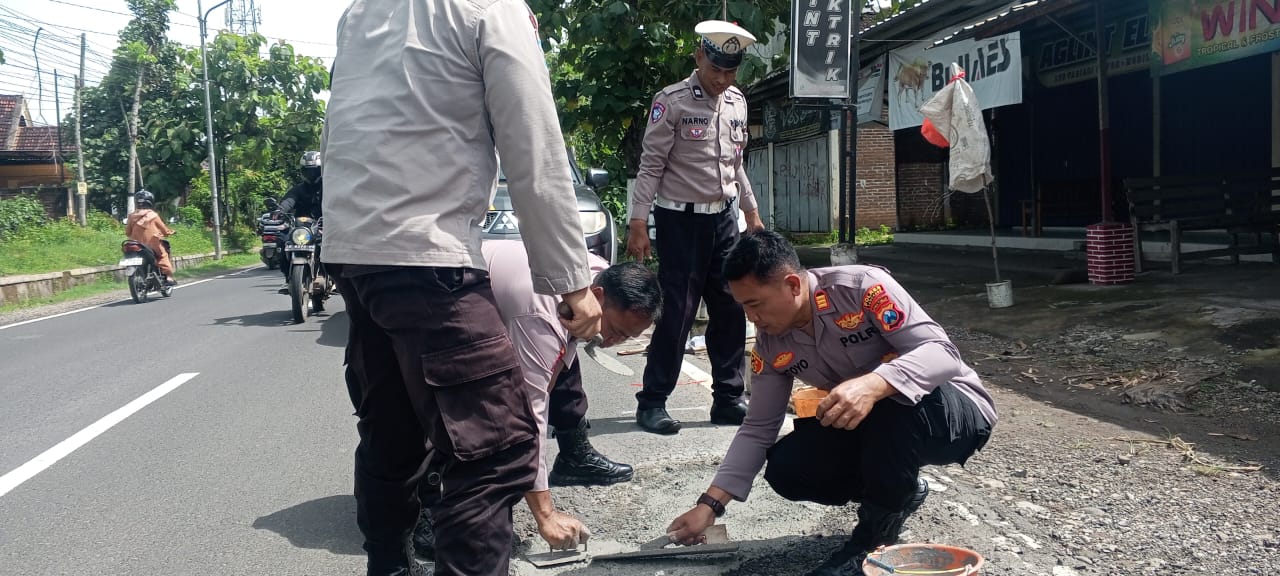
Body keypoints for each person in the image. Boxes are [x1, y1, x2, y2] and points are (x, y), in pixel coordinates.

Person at [320, 0, 604, 574]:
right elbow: (533, 145)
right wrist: (573, 281)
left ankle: (388, 566)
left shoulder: (360, 12)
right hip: (429, 254)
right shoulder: (490, 8)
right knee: (496, 453)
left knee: (393, 436)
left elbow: (340, 131)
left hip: (354, 254)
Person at [666, 230, 997, 576]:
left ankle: (872, 544)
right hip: (882, 431)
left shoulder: (863, 288)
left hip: (953, 411)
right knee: (788, 466)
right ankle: (899, 493)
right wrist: (710, 505)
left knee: (890, 399)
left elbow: (942, 353)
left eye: (755, 304)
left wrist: (875, 383)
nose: (751, 318)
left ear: (792, 285)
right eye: (743, 306)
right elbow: (759, 426)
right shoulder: (770, 345)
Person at [411, 240, 662, 557]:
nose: (613, 342)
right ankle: (425, 508)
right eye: (617, 331)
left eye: (627, 337)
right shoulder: (542, 316)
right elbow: (531, 415)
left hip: (473, 288)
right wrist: (545, 515)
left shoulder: (597, 275)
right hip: (428, 300)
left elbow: (552, 370)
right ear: (597, 296)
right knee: (455, 410)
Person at [627, 20, 766, 435]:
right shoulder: (671, 101)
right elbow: (651, 165)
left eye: (730, 71)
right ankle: (653, 402)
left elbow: (736, 166)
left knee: (730, 307)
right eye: (715, 69)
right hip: (680, 221)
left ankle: (728, 398)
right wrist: (638, 221)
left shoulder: (737, 102)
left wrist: (752, 212)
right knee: (678, 311)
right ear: (699, 56)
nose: (722, 79)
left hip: (724, 218)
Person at [275, 151, 325, 292]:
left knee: (336, 245)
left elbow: (337, 203)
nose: (311, 174)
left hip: (324, 225)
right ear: (303, 171)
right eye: (308, 171)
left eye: (314, 170)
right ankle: (288, 279)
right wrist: (279, 211)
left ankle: (337, 280)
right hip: (301, 228)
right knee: (283, 242)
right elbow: (288, 201)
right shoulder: (298, 189)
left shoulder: (328, 188)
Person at [125, 189, 176, 286]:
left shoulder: (131, 216)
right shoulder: (153, 215)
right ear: (150, 201)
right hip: (152, 245)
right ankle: (169, 277)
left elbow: (128, 232)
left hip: (135, 245)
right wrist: (169, 232)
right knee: (163, 256)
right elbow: (164, 230)